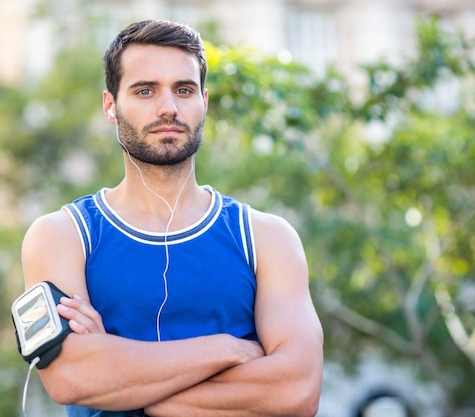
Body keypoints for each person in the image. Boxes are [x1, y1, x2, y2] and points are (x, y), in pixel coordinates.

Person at [21, 19, 323, 417]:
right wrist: (228, 349)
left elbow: (297, 389)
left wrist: (118, 377)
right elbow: (72, 378)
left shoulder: (267, 238)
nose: (168, 107)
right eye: (145, 90)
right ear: (111, 106)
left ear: (204, 103)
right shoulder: (62, 236)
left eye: (184, 90)